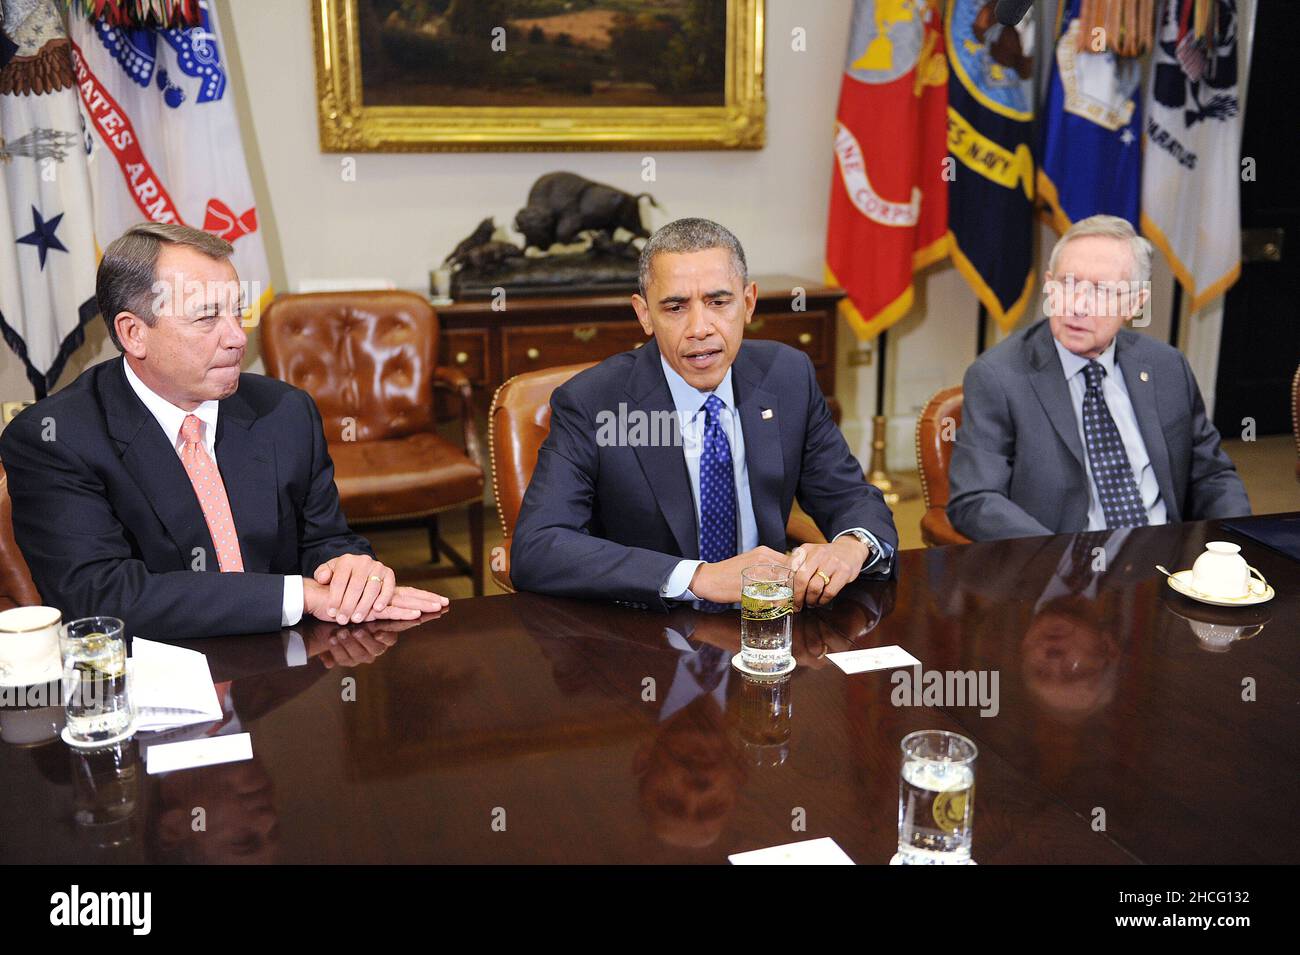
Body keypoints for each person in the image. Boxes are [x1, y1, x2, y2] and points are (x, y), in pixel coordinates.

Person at [0, 222, 446, 640]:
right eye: (206, 318)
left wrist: (349, 569)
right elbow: (100, 596)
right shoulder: (55, 438)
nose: (237, 337)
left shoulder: (285, 411)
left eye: (237, 312)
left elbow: (325, 538)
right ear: (134, 333)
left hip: (289, 670)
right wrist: (301, 595)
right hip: (148, 679)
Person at [511, 217, 897, 610]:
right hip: (647, 632)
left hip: (769, 621)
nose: (700, 328)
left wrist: (854, 544)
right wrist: (699, 577)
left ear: (748, 303)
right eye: (676, 307)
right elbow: (538, 547)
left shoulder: (787, 376)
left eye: (718, 302)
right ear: (644, 314)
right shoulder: (593, 402)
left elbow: (848, 493)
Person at [948, 214, 1249, 540]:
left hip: (1166, 560)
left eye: (1102, 291)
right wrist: (1054, 558)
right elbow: (976, 500)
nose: (1078, 305)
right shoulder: (1000, 378)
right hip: (1061, 570)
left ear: (1135, 302)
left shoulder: (1166, 367)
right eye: (1068, 284)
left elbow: (1212, 475)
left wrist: (1235, 545)